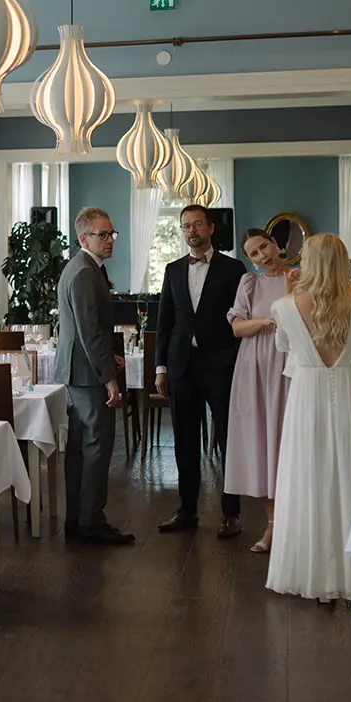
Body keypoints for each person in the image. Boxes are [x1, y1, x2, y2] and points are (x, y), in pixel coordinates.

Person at [265, 233, 351, 601]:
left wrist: (290, 293)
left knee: (309, 480)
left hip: (307, 398)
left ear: (311, 262)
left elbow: (284, 347)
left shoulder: (284, 306)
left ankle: (315, 572)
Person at [155, 204, 246, 538]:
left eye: (197, 224)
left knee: (228, 441)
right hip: (182, 366)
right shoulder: (172, 269)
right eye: (185, 226)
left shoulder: (234, 268)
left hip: (221, 366)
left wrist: (237, 362)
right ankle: (187, 510)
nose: (191, 231)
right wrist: (160, 367)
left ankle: (231, 513)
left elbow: (242, 317)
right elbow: (164, 321)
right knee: (184, 440)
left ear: (210, 228)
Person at [53, 206, 133, 545]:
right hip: (86, 375)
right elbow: (89, 331)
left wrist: (108, 358)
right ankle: (90, 522)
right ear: (84, 238)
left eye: (112, 233)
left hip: (78, 370)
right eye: (103, 234)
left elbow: (85, 329)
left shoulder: (82, 267)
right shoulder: (85, 272)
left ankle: (78, 519)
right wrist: (109, 377)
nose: (110, 239)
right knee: (97, 447)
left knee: (80, 449)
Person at [224, 229, 290, 554]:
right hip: (255, 369)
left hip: (291, 366)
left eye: (264, 247)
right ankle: (272, 526)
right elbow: (237, 327)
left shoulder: (298, 278)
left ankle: (297, 525)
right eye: (254, 253)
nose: (262, 255)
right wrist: (265, 321)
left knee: (288, 440)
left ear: (275, 243)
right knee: (263, 442)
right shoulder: (249, 283)